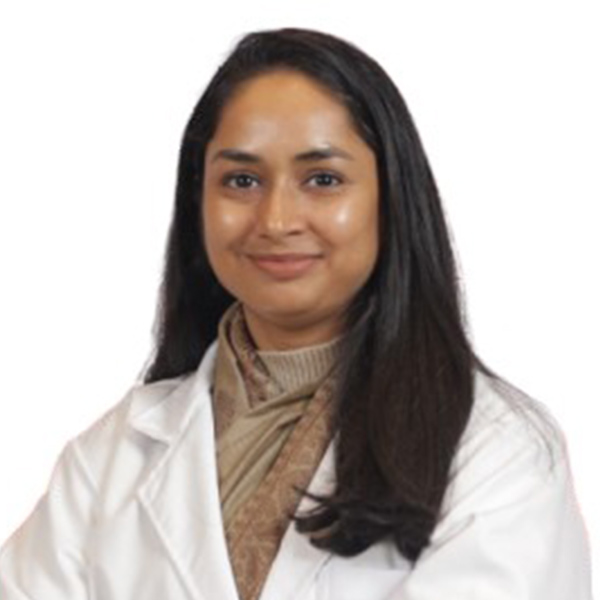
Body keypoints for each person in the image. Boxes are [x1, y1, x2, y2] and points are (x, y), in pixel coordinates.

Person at [0, 27, 591, 600]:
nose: (276, 220)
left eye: (323, 179)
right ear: (197, 200)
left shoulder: (497, 453)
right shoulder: (111, 458)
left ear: (392, 198)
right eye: (242, 180)